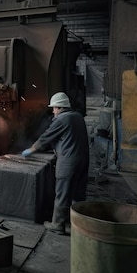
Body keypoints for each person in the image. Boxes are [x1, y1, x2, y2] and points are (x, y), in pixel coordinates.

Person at [21, 92, 90, 234]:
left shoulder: (62, 119)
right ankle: (79, 225)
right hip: (83, 161)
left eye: (54, 108)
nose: (53, 111)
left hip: (68, 162)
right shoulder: (78, 117)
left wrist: (31, 150)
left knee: (62, 193)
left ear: (59, 107)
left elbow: (45, 137)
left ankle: (57, 224)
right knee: (78, 194)